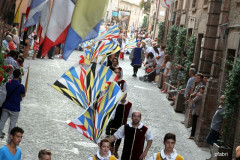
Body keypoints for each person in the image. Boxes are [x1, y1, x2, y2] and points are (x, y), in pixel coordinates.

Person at [0, 69, 25, 141]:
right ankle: (9, 139)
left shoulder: (8, 83)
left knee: (2, 121)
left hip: (7, 105)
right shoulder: (21, 86)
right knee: (12, 124)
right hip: (15, 107)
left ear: (13, 74)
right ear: (19, 75)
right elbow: (23, 95)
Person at [108, 93, 132, 158]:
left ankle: (116, 151)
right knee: (113, 136)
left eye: (124, 95)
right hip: (114, 123)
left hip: (122, 124)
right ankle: (111, 150)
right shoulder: (116, 103)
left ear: (126, 95)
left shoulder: (129, 104)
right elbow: (112, 113)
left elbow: (130, 114)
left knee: (119, 139)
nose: (123, 97)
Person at [206, 95, 226, 160]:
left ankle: (217, 149)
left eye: (222, 99)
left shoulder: (225, 108)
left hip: (216, 128)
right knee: (213, 141)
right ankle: (213, 156)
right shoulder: (220, 106)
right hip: (213, 126)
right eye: (220, 98)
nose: (220, 100)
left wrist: (221, 129)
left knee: (208, 140)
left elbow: (223, 120)